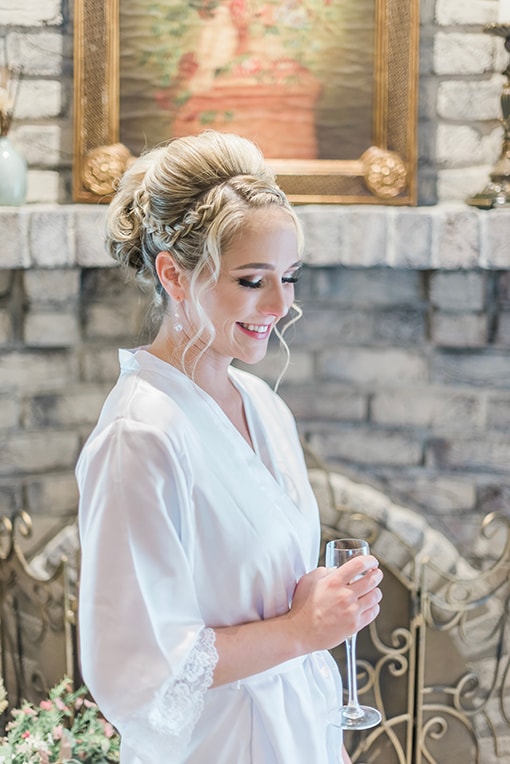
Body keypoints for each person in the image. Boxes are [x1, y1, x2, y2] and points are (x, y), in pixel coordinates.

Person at [76, 130, 383, 764]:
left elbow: (257, 583)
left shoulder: (264, 407)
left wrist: (321, 599)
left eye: (289, 278)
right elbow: (137, 667)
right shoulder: (141, 436)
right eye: (251, 280)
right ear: (174, 275)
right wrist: (302, 630)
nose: (279, 305)